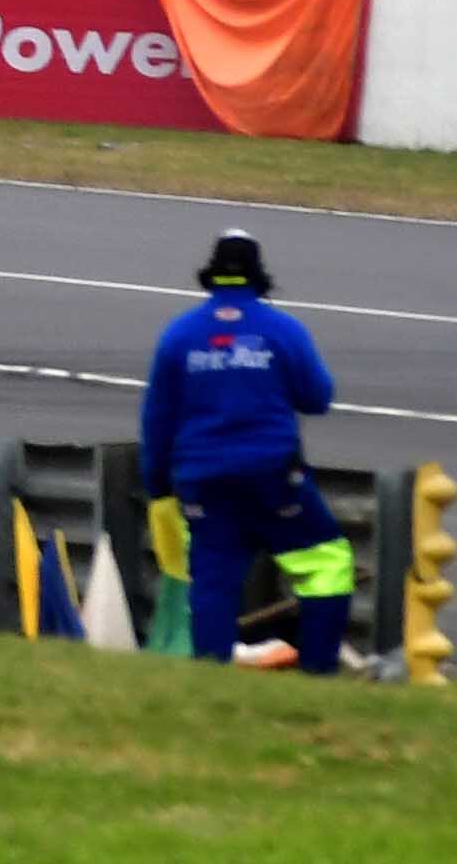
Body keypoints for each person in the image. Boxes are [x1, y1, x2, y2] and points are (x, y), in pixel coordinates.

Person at [138, 231, 356, 674]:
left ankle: (211, 675)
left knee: (213, 580)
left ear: (210, 274)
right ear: (259, 276)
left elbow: (157, 420)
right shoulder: (282, 330)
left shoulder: (179, 335)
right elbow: (317, 398)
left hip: (203, 481)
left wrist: (158, 488)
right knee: (327, 563)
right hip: (272, 478)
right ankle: (318, 671)